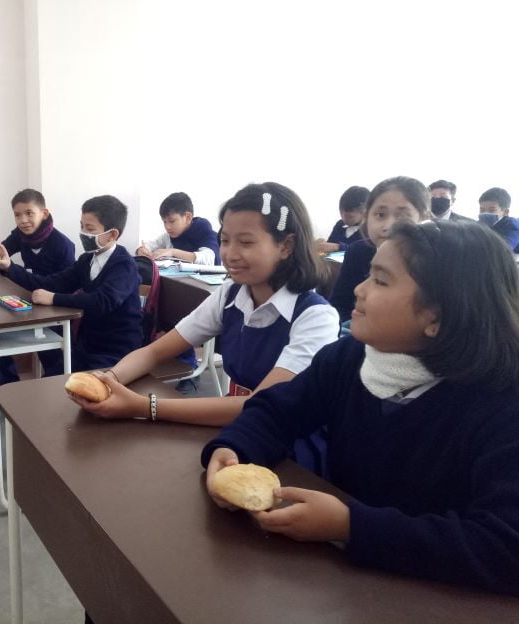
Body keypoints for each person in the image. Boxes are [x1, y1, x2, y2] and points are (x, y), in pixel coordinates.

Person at [203, 219, 519, 596]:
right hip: (344, 584)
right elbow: (275, 412)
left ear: (436, 315)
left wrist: (352, 526)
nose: (358, 288)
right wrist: (233, 448)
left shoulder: (501, 401)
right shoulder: (351, 357)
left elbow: (504, 546)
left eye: (380, 281)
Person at [70, 183, 339, 443]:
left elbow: (260, 406)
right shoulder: (231, 294)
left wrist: (143, 406)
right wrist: (109, 380)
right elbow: (154, 352)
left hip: (286, 445)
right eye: (225, 240)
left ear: (286, 246)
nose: (229, 254)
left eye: (246, 242)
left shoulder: (316, 318)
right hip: (237, 432)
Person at [0, 195, 142, 371]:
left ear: (112, 234)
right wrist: (10, 267)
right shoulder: (87, 260)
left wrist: (54, 298)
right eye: (81, 226)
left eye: (89, 228)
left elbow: (102, 301)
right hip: (87, 346)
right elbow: (53, 283)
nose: (83, 233)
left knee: (65, 379)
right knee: (54, 372)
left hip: (118, 351)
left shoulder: (124, 265)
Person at [0, 188, 75, 385]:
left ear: (44, 213)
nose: (23, 220)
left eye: (29, 213)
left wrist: (10, 268)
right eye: (17, 215)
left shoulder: (63, 245)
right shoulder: (20, 235)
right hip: (31, 302)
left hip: (58, 308)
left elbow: (60, 286)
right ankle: (8, 389)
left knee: (52, 358)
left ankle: (51, 387)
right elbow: (1, 254)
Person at [329, 176, 431, 322]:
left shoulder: (431, 259)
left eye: (403, 216)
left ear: (424, 218)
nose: (388, 226)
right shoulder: (358, 251)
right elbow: (339, 304)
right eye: (380, 215)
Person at [136, 192, 220, 265]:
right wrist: (142, 250)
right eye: (164, 222)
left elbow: (209, 259)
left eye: (172, 221)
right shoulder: (168, 236)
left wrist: (173, 252)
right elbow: (149, 245)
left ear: (188, 217)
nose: (167, 227)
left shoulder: (205, 231)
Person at [316, 186, 370, 254]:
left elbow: (364, 252)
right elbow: (330, 244)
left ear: (365, 212)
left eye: (350, 217)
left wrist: (338, 247)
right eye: (341, 213)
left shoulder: (369, 230)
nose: (344, 219)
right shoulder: (340, 225)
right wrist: (323, 245)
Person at [478, 187, 519, 252]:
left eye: (492, 210)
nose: (485, 213)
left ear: (505, 212)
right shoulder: (480, 224)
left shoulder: (512, 226)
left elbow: (505, 248)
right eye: (482, 210)